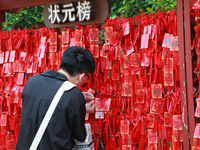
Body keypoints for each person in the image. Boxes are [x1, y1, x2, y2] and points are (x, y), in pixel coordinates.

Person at [15, 46, 96, 150]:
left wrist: (77, 102)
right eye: (87, 78)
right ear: (82, 76)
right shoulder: (74, 95)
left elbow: (42, 107)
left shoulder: (32, 82)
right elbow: (79, 135)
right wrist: (81, 108)